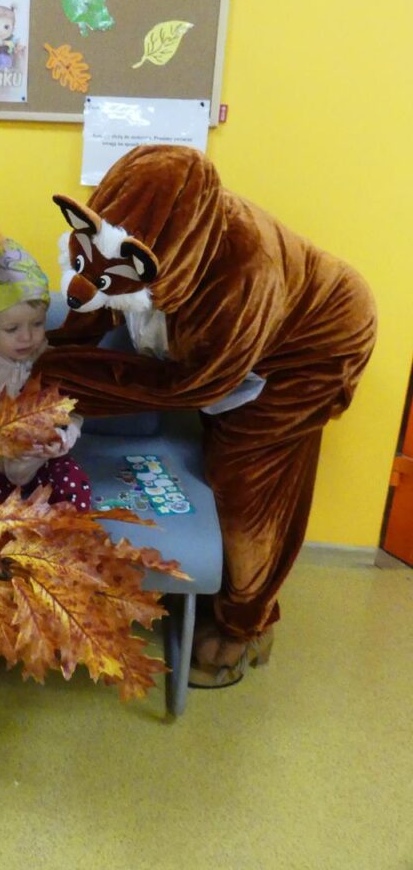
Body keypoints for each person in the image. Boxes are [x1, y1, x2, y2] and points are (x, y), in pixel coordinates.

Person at [35, 146, 377, 688]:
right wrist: (47, 351)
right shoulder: (149, 231)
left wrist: (61, 380)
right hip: (243, 338)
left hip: (317, 345)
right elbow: (95, 301)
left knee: (245, 477)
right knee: (223, 446)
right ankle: (229, 594)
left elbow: (193, 385)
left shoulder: (242, 278)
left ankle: (247, 626)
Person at [0, 240, 91, 668]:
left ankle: (61, 598)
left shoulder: (50, 358)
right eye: (12, 329)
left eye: (37, 324)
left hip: (43, 461)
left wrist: (62, 436)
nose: (27, 337)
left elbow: (71, 409)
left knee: (75, 490)